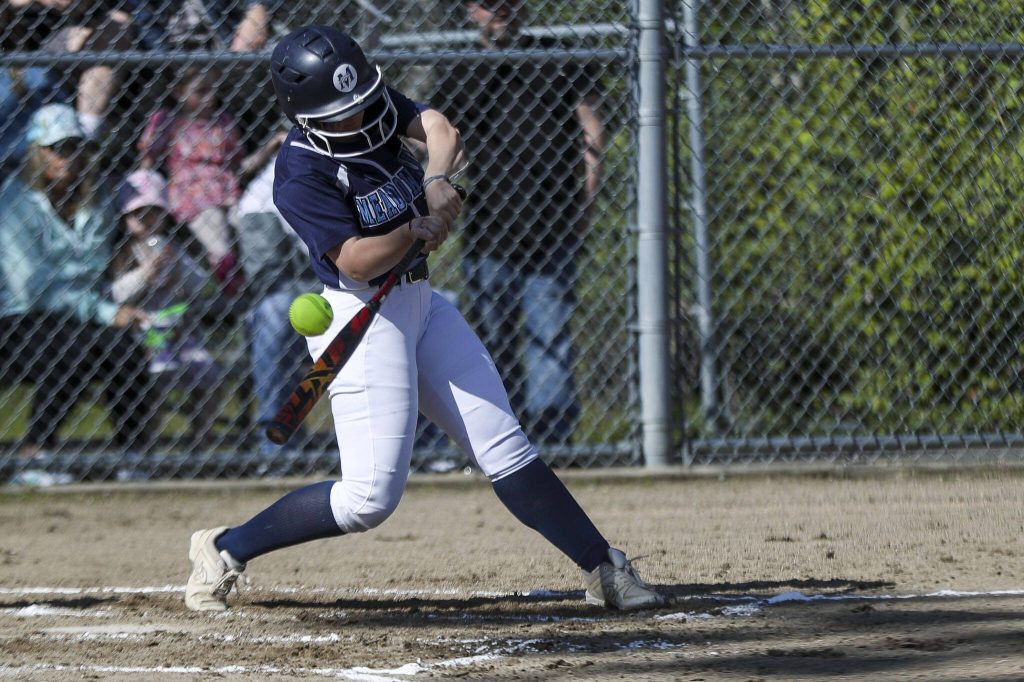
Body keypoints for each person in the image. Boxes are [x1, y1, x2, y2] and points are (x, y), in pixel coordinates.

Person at [183, 25, 662, 613]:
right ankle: (226, 548)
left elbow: (441, 128)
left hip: (420, 304)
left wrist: (434, 182)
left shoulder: (374, 105)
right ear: (304, 113)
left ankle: (604, 568)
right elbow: (356, 259)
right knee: (368, 499)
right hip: (361, 315)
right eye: (342, 111)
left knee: (504, 446)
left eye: (359, 102)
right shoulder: (299, 173)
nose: (357, 118)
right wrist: (411, 231)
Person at [436, 0, 604, 445]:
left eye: (509, 4)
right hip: (489, 231)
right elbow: (445, 143)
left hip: (553, 226)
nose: (501, 12)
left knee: (550, 340)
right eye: (489, 6)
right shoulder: (461, 69)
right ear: (471, 11)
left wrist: (588, 196)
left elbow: (592, 129)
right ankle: (504, 442)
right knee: (491, 347)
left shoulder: (556, 55)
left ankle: (553, 443)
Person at [0, 103, 153, 463]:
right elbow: (32, 288)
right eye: (57, 149)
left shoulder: (95, 201)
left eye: (74, 147)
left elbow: (89, 270)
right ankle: (35, 453)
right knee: (69, 346)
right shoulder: (13, 203)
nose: (67, 157)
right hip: (18, 318)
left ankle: (134, 456)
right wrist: (102, 310)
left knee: (124, 347)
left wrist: (99, 309)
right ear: (37, 153)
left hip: (80, 318)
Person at [136, 66, 281, 294]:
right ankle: (234, 292)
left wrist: (269, 147)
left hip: (227, 192)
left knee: (248, 224)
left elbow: (239, 166)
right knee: (219, 238)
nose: (210, 97)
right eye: (201, 91)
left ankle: (259, 284)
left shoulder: (222, 122)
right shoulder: (167, 120)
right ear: (178, 92)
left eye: (213, 90)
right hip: (192, 194)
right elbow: (147, 160)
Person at [110, 169, 225, 449]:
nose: (147, 220)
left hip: (181, 337)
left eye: (153, 212)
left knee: (209, 377)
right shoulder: (124, 254)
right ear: (126, 219)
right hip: (144, 338)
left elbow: (203, 286)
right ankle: (147, 445)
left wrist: (180, 271)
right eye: (138, 214)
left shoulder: (174, 249)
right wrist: (144, 276)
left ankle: (202, 441)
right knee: (154, 387)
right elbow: (114, 294)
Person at [231, 130, 315, 459]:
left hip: (350, 289)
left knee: (440, 301)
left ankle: (428, 446)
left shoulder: (346, 174)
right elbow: (267, 277)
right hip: (297, 296)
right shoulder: (260, 199)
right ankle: (276, 440)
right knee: (274, 311)